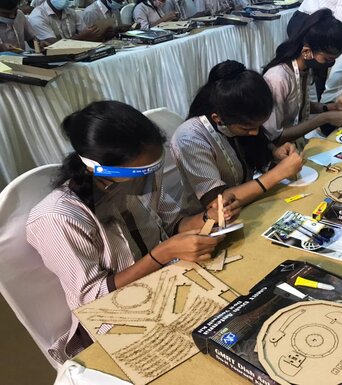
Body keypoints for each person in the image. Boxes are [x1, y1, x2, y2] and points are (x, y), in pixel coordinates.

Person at [26, 101, 238, 363]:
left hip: (167, 288)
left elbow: (173, 223)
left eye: (154, 168)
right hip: (117, 319)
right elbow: (91, 300)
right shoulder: (59, 217)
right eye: (141, 172)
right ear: (102, 168)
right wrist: (161, 254)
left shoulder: (137, 180)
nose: (148, 180)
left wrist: (208, 218)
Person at [171, 60, 304, 209]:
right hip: (209, 221)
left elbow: (255, 154)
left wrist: (274, 153)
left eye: (259, 125)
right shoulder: (190, 137)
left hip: (248, 207)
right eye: (246, 128)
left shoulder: (240, 122)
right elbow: (217, 203)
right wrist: (278, 173)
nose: (255, 132)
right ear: (218, 118)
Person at [263, 9, 342, 143]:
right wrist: (324, 118)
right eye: (327, 59)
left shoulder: (304, 68)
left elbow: (297, 103)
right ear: (306, 52)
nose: (330, 64)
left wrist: (330, 107)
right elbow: (273, 137)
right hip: (279, 152)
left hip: (298, 145)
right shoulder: (278, 79)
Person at [28, 0, 104, 43]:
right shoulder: (38, 16)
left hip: (78, 54)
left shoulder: (71, 12)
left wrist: (103, 34)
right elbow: (53, 45)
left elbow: (88, 35)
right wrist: (82, 36)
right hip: (54, 61)